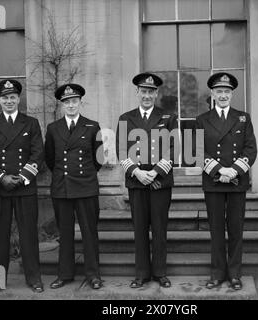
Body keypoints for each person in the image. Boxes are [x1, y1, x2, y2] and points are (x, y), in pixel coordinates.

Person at [0, 79, 44, 293]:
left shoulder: (31, 123)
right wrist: (2, 178)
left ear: (19, 99)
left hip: (25, 188)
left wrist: (22, 177)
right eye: (5, 98)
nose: (9, 101)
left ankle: (34, 278)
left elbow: (37, 154)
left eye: (13, 97)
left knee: (29, 236)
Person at [195, 73, 257, 290]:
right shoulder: (202, 119)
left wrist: (233, 171)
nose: (223, 95)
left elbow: (251, 149)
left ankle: (235, 274)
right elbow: (196, 150)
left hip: (236, 182)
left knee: (236, 229)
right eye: (219, 91)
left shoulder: (243, 117)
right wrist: (220, 170)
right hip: (213, 182)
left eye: (227, 92)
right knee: (216, 229)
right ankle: (217, 273)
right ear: (212, 93)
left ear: (232, 94)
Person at [116, 72, 178, 288]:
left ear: (156, 93)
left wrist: (156, 171)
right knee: (140, 229)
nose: (147, 95)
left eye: (151, 92)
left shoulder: (169, 117)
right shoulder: (126, 118)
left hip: (160, 182)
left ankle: (160, 272)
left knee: (160, 229)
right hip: (136, 181)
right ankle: (141, 273)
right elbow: (121, 150)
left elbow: (174, 148)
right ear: (137, 93)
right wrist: (137, 172)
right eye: (143, 91)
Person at [44, 84, 104, 290]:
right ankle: (65, 274)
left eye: (74, 101)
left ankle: (93, 275)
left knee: (89, 233)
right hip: (62, 187)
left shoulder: (92, 126)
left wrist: (85, 175)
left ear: (80, 103)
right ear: (62, 105)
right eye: (67, 102)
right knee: (65, 233)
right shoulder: (53, 129)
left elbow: (99, 158)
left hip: (86, 186)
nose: (71, 105)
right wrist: (64, 175)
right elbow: (50, 159)